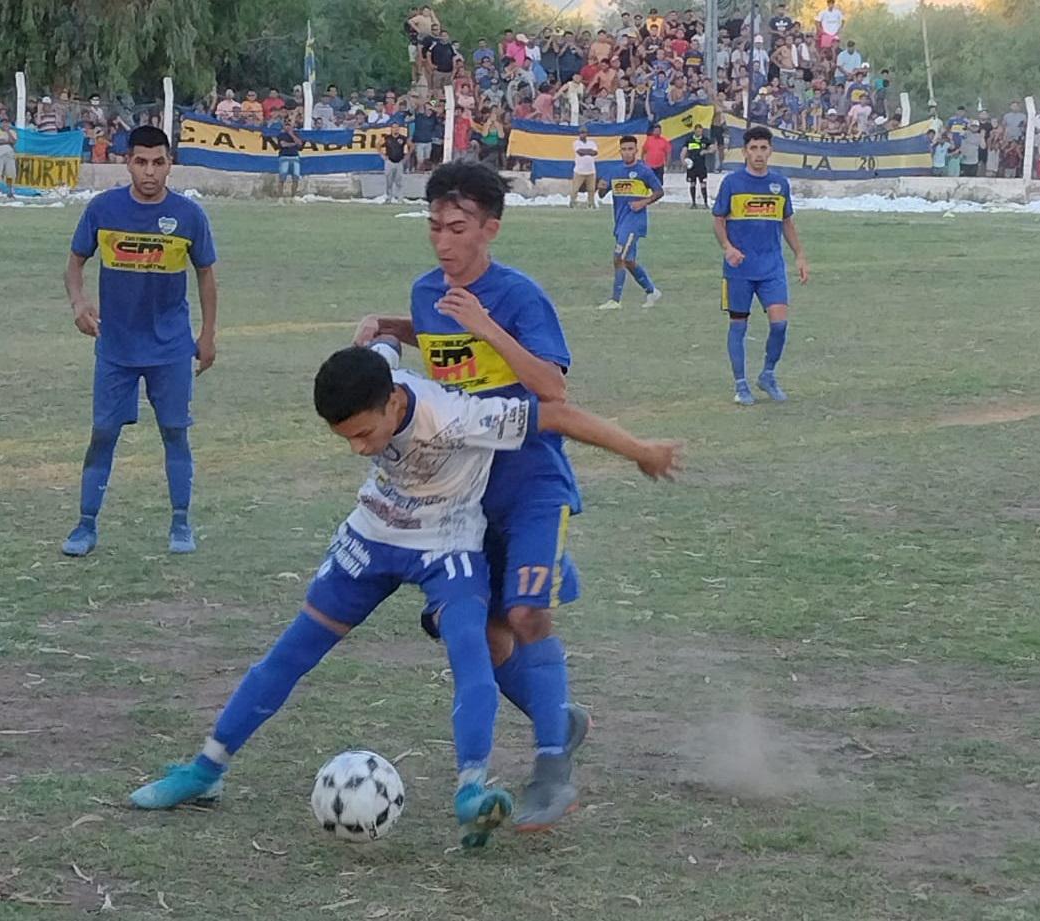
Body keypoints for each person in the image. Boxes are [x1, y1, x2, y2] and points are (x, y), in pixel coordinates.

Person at [129, 343, 682, 846]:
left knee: (472, 653)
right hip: (373, 536)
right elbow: (379, 342)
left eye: (365, 435)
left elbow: (556, 414)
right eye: (345, 439)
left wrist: (640, 449)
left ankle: (472, 790)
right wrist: (380, 328)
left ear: (395, 401)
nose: (358, 449)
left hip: (448, 545)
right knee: (292, 652)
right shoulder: (377, 375)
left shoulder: (459, 417)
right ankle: (205, 771)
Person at [352, 163, 597, 830]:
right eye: (433, 227)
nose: (442, 242)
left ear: (490, 227)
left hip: (532, 485)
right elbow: (437, 336)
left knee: (523, 614)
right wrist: (393, 326)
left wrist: (489, 327)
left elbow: (553, 388)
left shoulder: (519, 297)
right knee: (477, 637)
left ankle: (552, 764)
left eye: (457, 229)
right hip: (462, 493)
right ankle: (558, 718)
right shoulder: (429, 291)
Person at [61, 126, 219, 557]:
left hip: (170, 348)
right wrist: (79, 303)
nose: (150, 172)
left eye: (159, 162)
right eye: (141, 162)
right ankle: (86, 525)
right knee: (103, 432)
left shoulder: (188, 216)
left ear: (170, 164)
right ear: (127, 162)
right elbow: (75, 262)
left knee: (174, 432)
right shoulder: (103, 210)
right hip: (116, 347)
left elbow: (206, 274)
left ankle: (181, 522)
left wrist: (206, 334)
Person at [712, 125, 809, 406]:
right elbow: (718, 219)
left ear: (770, 151)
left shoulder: (780, 184)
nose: (758, 154)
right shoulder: (732, 183)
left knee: (780, 325)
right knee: (738, 326)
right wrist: (728, 247)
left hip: (771, 268)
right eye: (753, 148)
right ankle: (741, 385)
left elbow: (786, 221)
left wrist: (800, 255)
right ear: (744, 152)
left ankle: (767, 374)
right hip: (738, 270)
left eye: (763, 148)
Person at [596, 134, 664, 311]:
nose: (627, 153)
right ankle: (651, 291)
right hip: (620, 221)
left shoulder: (643, 171)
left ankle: (615, 300)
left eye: (630, 149)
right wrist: (601, 188)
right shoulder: (614, 171)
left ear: (636, 150)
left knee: (619, 257)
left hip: (635, 222)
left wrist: (643, 202)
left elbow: (659, 191)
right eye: (624, 149)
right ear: (620, 151)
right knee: (629, 261)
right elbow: (602, 194)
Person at [681, 124, 713, 209]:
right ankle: (693, 203)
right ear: (694, 131)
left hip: (701, 166)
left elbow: (713, 149)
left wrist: (705, 151)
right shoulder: (689, 140)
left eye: (701, 131)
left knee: (703, 184)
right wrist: (683, 160)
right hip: (691, 166)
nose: (699, 132)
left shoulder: (705, 140)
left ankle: (706, 203)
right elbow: (684, 151)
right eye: (698, 131)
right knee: (692, 183)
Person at [276, 112, 304, 199]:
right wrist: (293, 144)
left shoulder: (296, 134)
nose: (288, 126)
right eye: (286, 124)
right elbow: (283, 144)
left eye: (289, 124)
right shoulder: (281, 135)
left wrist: (291, 135)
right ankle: (280, 197)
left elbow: (299, 144)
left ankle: (293, 197)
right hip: (284, 157)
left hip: (295, 157)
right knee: (282, 177)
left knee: (296, 178)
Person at [569, 125, 598, 209]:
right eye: (581, 133)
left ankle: (591, 203)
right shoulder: (576, 143)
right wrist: (589, 151)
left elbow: (595, 153)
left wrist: (585, 152)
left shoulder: (592, 143)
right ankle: (572, 202)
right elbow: (579, 152)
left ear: (587, 134)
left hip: (591, 170)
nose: (582, 135)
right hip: (579, 170)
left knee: (591, 189)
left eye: (584, 133)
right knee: (575, 189)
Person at [382, 122, 411, 202]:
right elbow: (378, 145)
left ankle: (400, 198)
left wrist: (407, 155)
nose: (396, 129)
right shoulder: (387, 138)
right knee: (389, 181)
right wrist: (382, 155)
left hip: (399, 162)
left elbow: (411, 145)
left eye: (397, 127)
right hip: (389, 161)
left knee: (399, 181)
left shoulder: (403, 138)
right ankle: (388, 197)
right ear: (391, 128)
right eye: (394, 127)